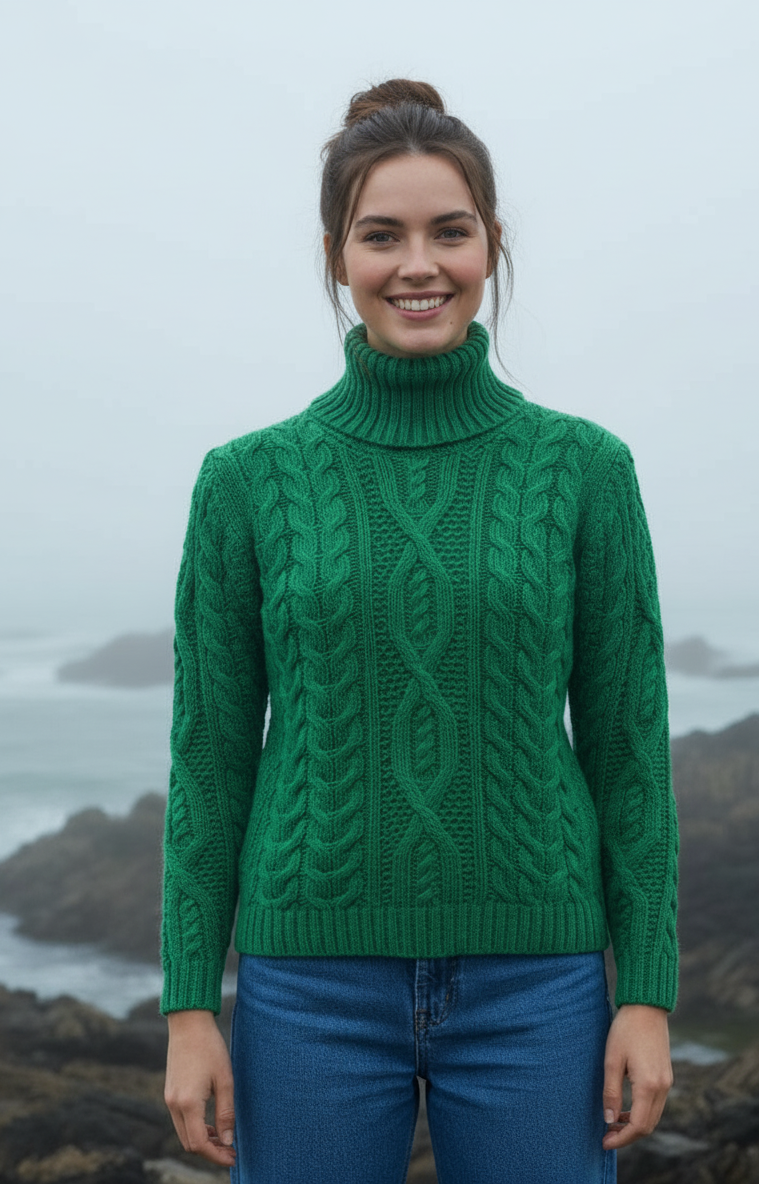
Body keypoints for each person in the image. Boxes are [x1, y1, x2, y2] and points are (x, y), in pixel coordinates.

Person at [161, 78, 679, 1184]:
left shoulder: (587, 470)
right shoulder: (246, 481)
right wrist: (189, 1005)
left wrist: (645, 989)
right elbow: (208, 759)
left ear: (491, 242)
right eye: (380, 234)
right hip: (308, 989)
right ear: (337, 254)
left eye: (450, 231)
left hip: (540, 983)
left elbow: (630, 749)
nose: (418, 265)